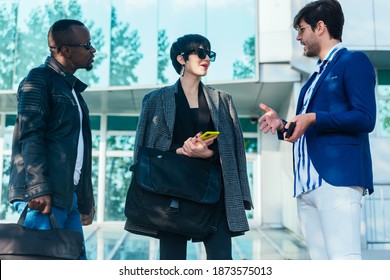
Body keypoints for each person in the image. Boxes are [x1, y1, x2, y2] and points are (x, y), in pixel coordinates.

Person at [258, 0, 376, 260]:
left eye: (301, 30)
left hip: (336, 181)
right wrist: (282, 126)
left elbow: (365, 118)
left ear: (320, 27)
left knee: (344, 262)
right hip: (306, 186)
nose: (299, 37)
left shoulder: (353, 61)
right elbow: (308, 125)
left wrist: (313, 117)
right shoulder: (312, 79)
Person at [125, 34, 253, 260]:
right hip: (172, 193)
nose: (207, 59)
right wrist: (180, 150)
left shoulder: (222, 100)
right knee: (172, 262)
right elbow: (145, 149)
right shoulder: (156, 99)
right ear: (181, 59)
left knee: (222, 261)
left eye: (210, 54)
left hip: (215, 191)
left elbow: (234, 151)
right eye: (200, 53)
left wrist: (208, 152)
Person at [8, 19, 96, 259]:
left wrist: (85, 199)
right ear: (65, 50)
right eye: (87, 44)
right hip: (43, 195)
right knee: (38, 264)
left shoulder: (73, 91)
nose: (93, 50)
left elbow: (78, 152)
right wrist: (38, 188)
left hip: (68, 196)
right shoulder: (38, 80)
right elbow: (31, 135)